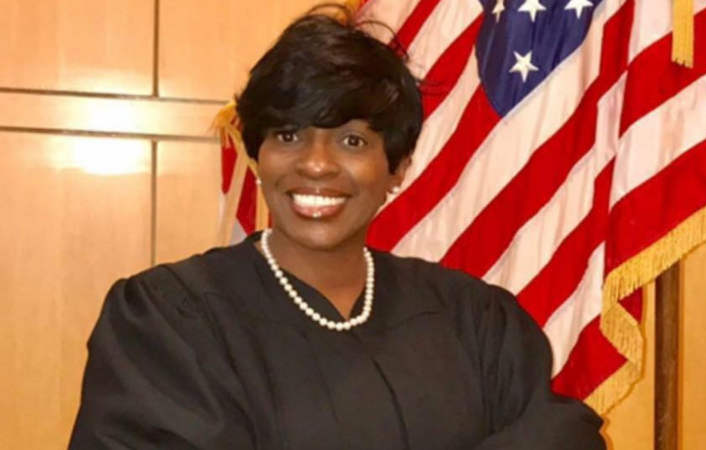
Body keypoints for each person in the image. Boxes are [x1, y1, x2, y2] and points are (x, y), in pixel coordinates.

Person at [69, 5, 606, 450]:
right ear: (257, 156)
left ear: (396, 169)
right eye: (288, 135)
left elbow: (565, 436)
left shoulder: (475, 322)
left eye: (353, 140)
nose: (317, 164)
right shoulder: (167, 322)